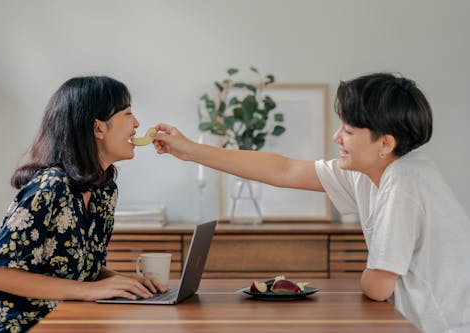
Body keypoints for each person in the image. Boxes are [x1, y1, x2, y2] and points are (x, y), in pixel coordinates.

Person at [151, 73, 470, 333]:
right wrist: (189, 149)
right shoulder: (372, 172)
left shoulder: (404, 184)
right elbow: (284, 169)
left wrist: (370, 274)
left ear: (385, 143)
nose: (336, 138)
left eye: (347, 130)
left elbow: (378, 287)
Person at [0, 76, 167, 332]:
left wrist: (123, 281)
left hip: (68, 318)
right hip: (23, 326)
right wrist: (89, 290)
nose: (137, 123)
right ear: (98, 128)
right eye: (128, 113)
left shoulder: (104, 190)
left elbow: (79, 264)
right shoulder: (51, 186)